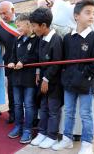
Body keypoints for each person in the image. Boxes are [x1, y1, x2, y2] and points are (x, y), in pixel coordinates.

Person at [52, 0, 94, 154]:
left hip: (86, 85)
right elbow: (63, 61)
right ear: (76, 16)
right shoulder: (68, 38)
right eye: (88, 12)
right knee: (68, 111)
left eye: (93, 13)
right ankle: (67, 139)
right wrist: (66, 75)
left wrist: (84, 73)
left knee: (86, 114)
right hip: (69, 84)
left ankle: (87, 143)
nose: (92, 16)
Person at [29, 8, 63, 149]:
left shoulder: (56, 40)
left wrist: (46, 79)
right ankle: (42, 133)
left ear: (43, 25)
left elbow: (57, 63)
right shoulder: (41, 38)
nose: (32, 29)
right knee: (43, 108)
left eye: (34, 26)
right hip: (43, 80)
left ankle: (52, 136)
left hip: (53, 83)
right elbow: (38, 58)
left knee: (53, 110)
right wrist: (38, 72)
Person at [7, 13, 39, 144]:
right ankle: (18, 126)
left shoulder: (36, 39)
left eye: (19, 26)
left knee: (29, 105)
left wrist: (23, 62)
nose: (17, 28)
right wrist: (11, 62)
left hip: (29, 79)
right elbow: (12, 55)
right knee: (17, 104)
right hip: (16, 78)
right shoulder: (18, 40)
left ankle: (27, 130)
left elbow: (36, 56)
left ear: (27, 24)